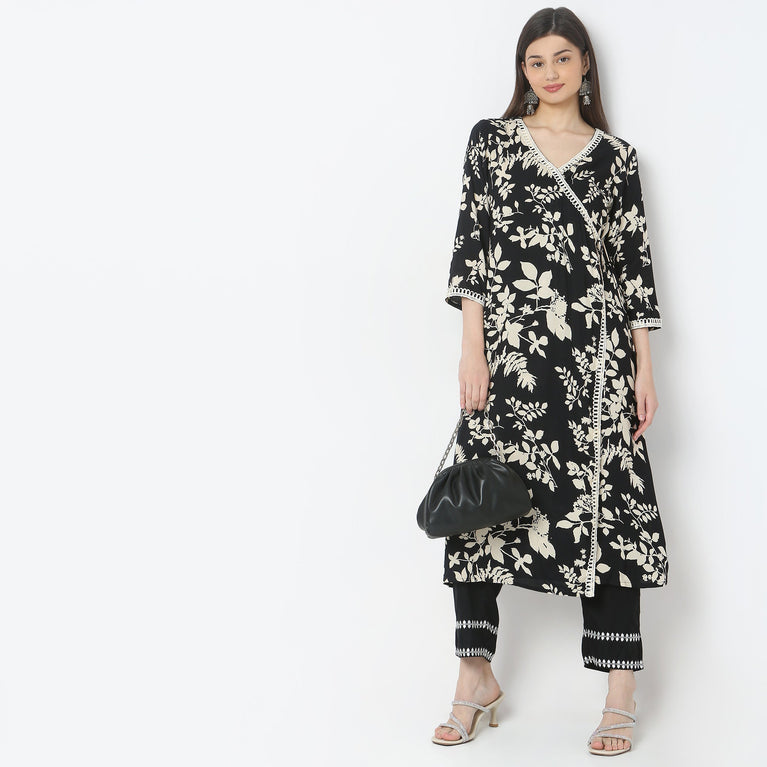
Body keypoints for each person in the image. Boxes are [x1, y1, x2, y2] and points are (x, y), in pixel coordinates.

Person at [432, 7, 670, 757]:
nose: (549, 73)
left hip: (595, 367)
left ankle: (620, 690)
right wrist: (472, 351)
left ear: (585, 64)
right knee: (478, 508)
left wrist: (643, 367)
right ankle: (475, 674)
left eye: (562, 57)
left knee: (611, 514)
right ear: (522, 71)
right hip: (509, 362)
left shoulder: (616, 159)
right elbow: (472, 249)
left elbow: (632, 267)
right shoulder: (492, 142)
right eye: (535, 61)